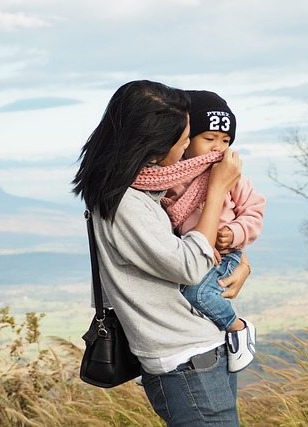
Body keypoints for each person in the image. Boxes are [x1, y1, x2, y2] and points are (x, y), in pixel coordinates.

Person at [72, 80, 250, 426]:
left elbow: (188, 243)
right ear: (154, 143)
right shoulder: (125, 203)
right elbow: (189, 265)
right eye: (183, 138)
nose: (188, 145)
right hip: (185, 363)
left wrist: (241, 262)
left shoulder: (146, 191)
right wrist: (216, 190)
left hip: (201, 354)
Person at [156, 90, 265, 373]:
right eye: (209, 138)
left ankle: (238, 328)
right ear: (186, 138)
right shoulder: (172, 177)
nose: (218, 147)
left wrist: (235, 232)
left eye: (226, 140)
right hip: (193, 253)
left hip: (225, 254)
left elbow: (254, 210)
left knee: (199, 296)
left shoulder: (231, 173)